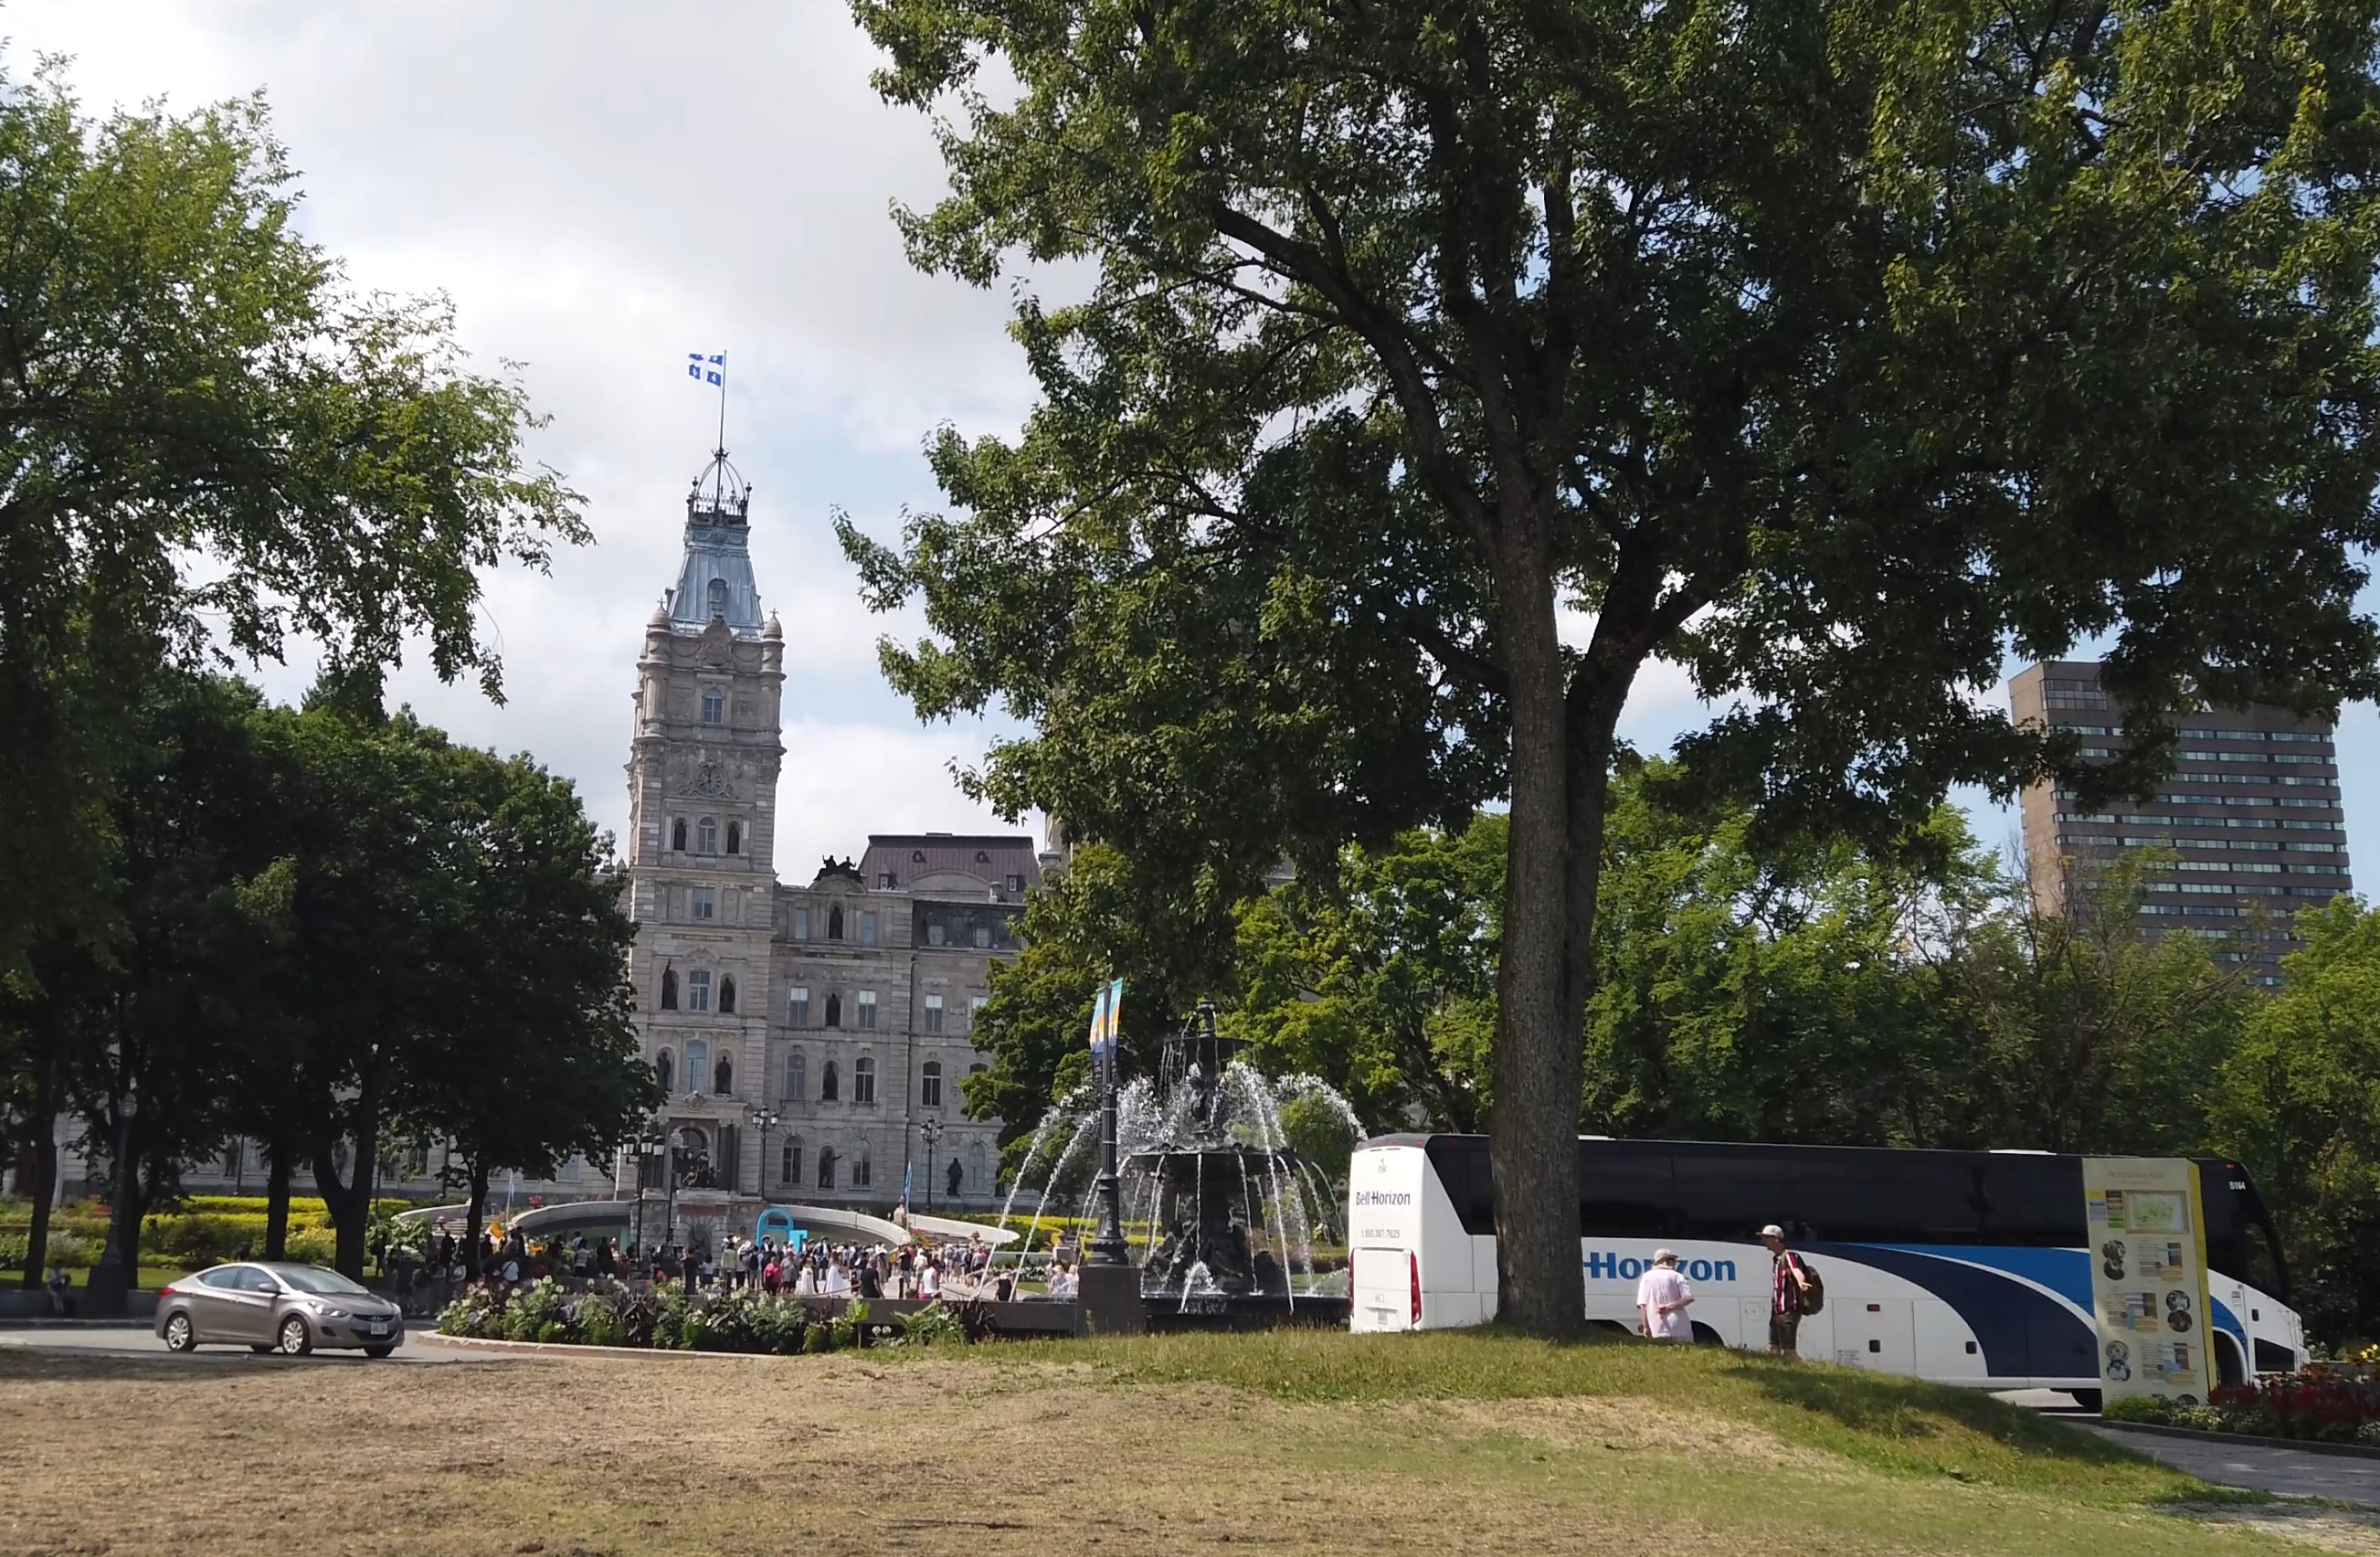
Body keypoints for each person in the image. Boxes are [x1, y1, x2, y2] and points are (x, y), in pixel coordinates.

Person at [1761, 1223, 1813, 1357]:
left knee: (1789, 1351)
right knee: (1773, 1347)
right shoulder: (1776, 1259)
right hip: (1777, 1311)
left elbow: (1796, 1270)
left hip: (1788, 1309)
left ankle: (1800, 1372)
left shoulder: (1789, 1256)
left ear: (1776, 1239)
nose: (1763, 1242)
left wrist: (1801, 1282)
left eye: (1766, 1238)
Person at [1634, 1249, 1695, 1342]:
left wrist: (1646, 1327)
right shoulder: (1677, 1276)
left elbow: (1643, 1305)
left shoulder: (1646, 1277)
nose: (1675, 1264)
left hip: (1656, 1329)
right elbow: (1688, 1298)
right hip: (1680, 1327)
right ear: (1667, 1261)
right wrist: (1670, 1307)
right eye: (1673, 1261)